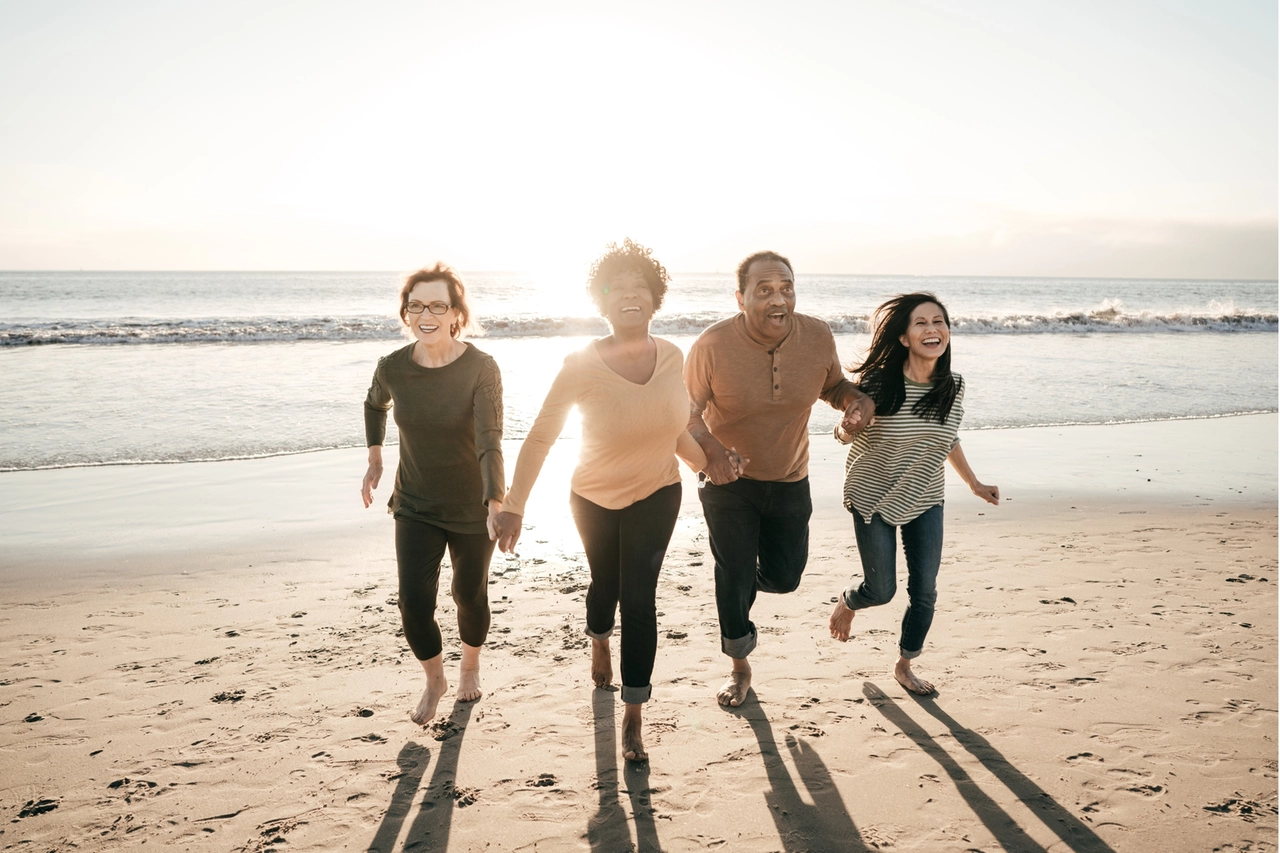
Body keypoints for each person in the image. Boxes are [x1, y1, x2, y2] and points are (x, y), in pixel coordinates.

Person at [493, 239, 706, 762]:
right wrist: (514, 504)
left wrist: (711, 468)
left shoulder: (672, 357)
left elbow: (673, 429)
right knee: (604, 585)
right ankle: (598, 639)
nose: (630, 297)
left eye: (641, 288)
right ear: (601, 301)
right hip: (591, 497)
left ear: (655, 299)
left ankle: (633, 714)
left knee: (639, 598)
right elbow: (542, 436)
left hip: (658, 492)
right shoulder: (581, 365)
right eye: (617, 289)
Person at [685, 250, 876, 707]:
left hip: (791, 478)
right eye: (765, 290)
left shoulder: (816, 335)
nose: (779, 299)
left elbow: (832, 386)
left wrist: (855, 400)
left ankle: (740, 580)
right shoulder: (711, 346)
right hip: (727, 481)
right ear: (741, 298)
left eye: (786, 288)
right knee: (732, 574)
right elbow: (685, 413)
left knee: (785, 577)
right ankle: (740, 666)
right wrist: (711, 452)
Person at [828, 292, 999, 695]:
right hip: (873, 498)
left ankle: (905, 664)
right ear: (904, 338)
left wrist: (973, 483)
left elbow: (947, 438)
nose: (932, 329)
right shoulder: (879, 385)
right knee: (881, 590)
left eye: (938, 321)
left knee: (924, 590)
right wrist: (848, 426)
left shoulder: (952, 386)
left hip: (925, 497)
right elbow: (842, 429)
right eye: (920, 322)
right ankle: (849, 602)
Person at [361, 263, 505, 724]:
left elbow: (490, 439)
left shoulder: (481, 367)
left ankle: (470, 667)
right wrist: (376, 457)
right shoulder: (393, 367)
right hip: (416, 503)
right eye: (416, 305)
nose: (426, 314)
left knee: (469, 594)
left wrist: (495, 503)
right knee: (413, 603)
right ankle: (434, 678)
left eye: (437, 305)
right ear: (406, 312)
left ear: (455, 312)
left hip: (471, 504)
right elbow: (374, 403)